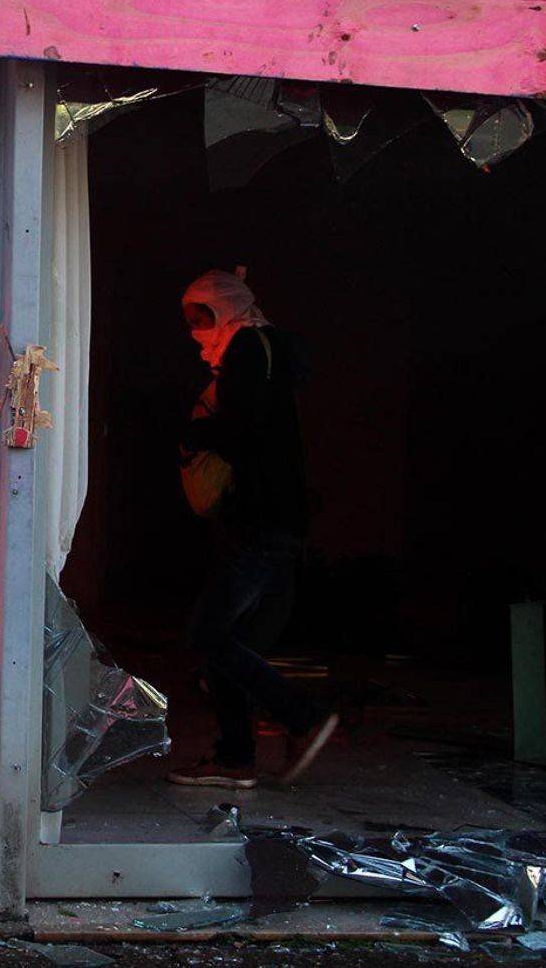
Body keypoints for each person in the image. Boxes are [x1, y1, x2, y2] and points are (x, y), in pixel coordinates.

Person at [166, 270, 338, 790]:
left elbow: (244, 429)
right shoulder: (261, 354)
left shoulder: (246, 349)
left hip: (262, 519)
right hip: (268, 518)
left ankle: (302, 717)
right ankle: (236, 757)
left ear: (227, 307)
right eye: (189, 318)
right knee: (228, 643)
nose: (195, 329)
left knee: (209, 634)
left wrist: (194, 432)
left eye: (202, 315)